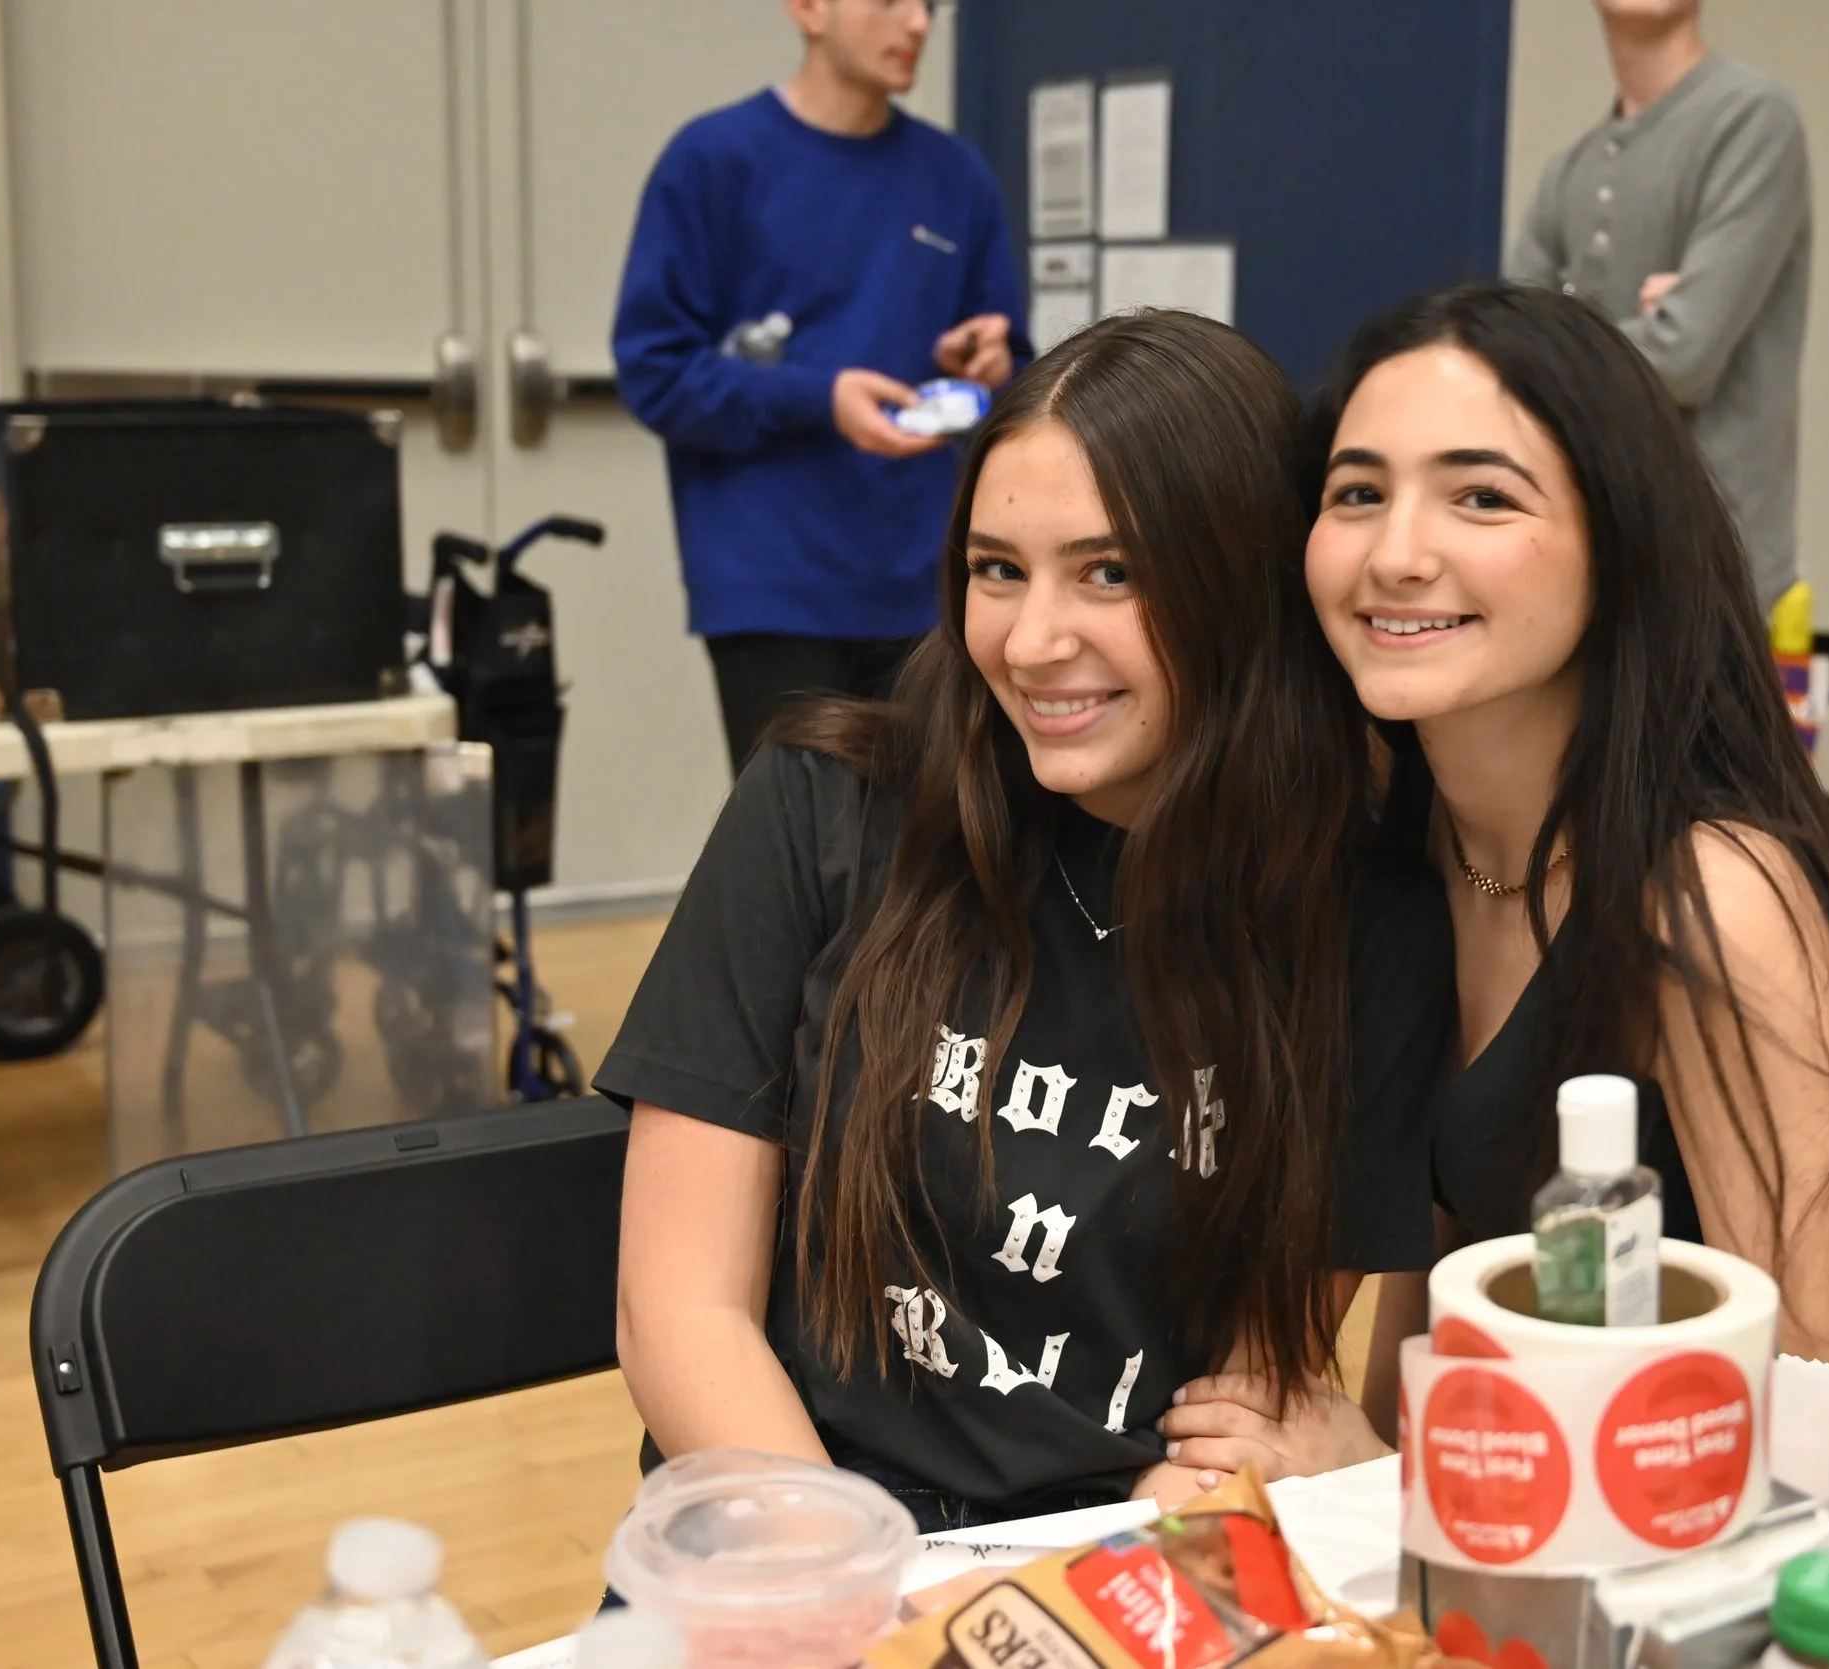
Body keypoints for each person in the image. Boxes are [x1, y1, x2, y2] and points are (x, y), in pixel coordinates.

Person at [596, 310, 1453, 1532]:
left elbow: (1246, 1399)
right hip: (794, 1524)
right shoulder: (823, 805)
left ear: (1244, 587)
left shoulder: (1361, 912)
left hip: (1112, 1536)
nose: (1033, 641)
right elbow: (681, 1313)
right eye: (997, 569)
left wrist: (1108, 1560)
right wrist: (861, 1588)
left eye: (1109, 573)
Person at [1155, 283, 1829, 1484]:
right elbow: (1438, 1341)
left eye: (1482, 497)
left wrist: (1381, 1476)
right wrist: (1373, 1474)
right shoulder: (1417, 856)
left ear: (1618, 544)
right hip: (1522, 1527)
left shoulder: (1713, 899)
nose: (1396, 554)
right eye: (1357, 494)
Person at [613, 0, 1029, 770]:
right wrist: (818, 399)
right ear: (807, 8)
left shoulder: (957, 178)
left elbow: (1015, 376)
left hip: (924, 584)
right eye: (890, 2)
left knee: (924, 833)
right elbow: (653, 369)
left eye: (930, 5)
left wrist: (988, 363)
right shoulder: (712, 162)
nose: (918, 24)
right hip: (772, 586)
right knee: (802, 832)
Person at [1507, 0, 1809, 609]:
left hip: (1713, 564)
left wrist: (1572, 329)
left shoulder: (1753, 119)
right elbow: (1509, 360)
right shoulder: (1569, 169)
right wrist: (1643, 325)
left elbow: (1681, 359)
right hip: (1593, 556)